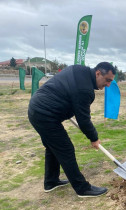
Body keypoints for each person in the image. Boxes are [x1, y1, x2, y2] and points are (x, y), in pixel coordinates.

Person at [28, 62, 116, 198]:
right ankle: (82, 188)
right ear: (98, 73)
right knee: (65, 149)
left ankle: (51, 182)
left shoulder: (78, 69)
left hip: (37, 108)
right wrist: (94, 138)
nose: (108, 85)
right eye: (107, 80)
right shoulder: (85, 89)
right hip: (44, 114)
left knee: (53, 147)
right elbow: (84, 120)